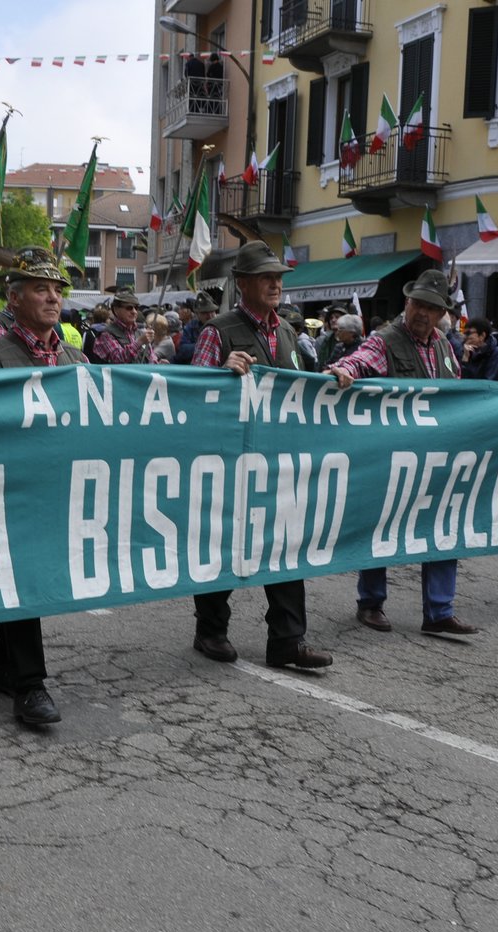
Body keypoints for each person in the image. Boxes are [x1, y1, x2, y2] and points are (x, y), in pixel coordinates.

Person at [190, 240, 332, 670]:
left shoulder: (288, 331)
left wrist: (334, 380)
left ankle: (288, 639)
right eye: (266, 277)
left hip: (279, 461)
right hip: (232, 460)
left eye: (278, 277)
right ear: (242, 283)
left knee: (286, 545)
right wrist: (218, 373)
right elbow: (190, 395)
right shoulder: (219, 330)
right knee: (226, 543)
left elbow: (303, 392)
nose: (275, 284)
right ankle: (210, 630)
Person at [0, 245, 83, 726]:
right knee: (24, 578)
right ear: (13, 299)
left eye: (58, 289)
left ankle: (0, 663)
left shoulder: (77, 357)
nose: (53, 298)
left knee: (31, 576)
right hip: (9, 491)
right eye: (41, 288)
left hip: (60, 487)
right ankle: (29, 685)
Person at [328, 269, 478, 637]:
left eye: (432, 307)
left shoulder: (444, 345)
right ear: (407, 303)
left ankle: (439, 611)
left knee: (443, 528)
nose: (423, 313)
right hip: (391, 454)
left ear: (442, 312)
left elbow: (454, 392)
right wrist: (343, 370)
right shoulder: (385, 340)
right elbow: (357, 361)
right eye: (418, 304)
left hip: (437, 455)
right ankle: (371, 603)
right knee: (382, 525)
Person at [92, 288, 153, 363]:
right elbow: (118, 360)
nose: (134, 311)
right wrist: (139, 342)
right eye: (129, 308)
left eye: (136, 308)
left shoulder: (140, 333)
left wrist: (160, 364)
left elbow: (152, 359)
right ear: (116, 309)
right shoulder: (105, 335)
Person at [459, 315, 498, 381]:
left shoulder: (496, 353)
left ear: (482, 335)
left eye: (468, 333)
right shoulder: (465, 351)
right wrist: (465, 359)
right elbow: (460, 380)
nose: (465, 337)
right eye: (464, 334)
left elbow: (489, 381)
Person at [175, 290, 218, 364]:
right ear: (198, 314)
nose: (210, 315)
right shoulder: (190, 327)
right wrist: (204, 345)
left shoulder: (221, 326)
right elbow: (182, 350)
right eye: (205, 313)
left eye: (212, 312)